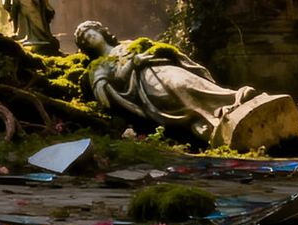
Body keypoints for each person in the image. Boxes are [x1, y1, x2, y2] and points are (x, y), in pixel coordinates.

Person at [75, 19, 257, 141]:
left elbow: (157, 50)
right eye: (85, 38)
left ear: (101, 32)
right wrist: (133, 63)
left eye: (92, 32)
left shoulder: (128, 44)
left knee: (187, 80)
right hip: (144, 84)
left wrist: (156, 54)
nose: (90, 37)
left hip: (160, 68)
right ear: (85, 46)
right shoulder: (98, 65)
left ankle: (233, 99)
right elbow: (112, 88)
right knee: (177, 88)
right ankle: (211, 120)